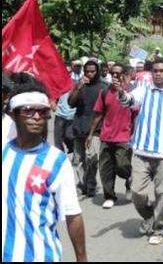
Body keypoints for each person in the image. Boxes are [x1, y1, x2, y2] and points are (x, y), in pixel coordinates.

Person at [2, 79, 87, 262]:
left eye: (42, 111)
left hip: (40, 256)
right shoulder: (4, 152)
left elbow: (73, 214)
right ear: (14, 115)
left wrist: (82, 259)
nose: (37, 116)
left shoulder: (56, 161)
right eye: (28, 110)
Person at [120, 58, 163, 245]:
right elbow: (128, 101)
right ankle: (149, 216)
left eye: (162, 70)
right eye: (155, 70)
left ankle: (158, 227)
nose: (158, 73)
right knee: (136, 192)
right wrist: (120, 91)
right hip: (141, 152)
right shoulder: (144, 89)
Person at [85, 63, 134, 209]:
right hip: (106, 136)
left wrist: (134, 136)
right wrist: (91, 134)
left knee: (122, 165)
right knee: (105, 168)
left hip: (125, 137)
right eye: (112, 73)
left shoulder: (132, 94)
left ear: (125, 75)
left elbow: (137, 116)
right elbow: (98, 114)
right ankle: (109, 196)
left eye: (118, 73)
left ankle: (129, 179)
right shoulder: (105, 92)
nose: (114, 76)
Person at [68, 59, 107, 197]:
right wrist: (79, 88)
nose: (89, 74)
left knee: (92, 158)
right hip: (79, 127)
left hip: (95, 130)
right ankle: (82, 185)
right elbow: (70, 103)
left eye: (92, 71)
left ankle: (91, 185)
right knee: (79, 160)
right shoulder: (79, 85)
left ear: (97, 72)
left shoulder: (103, 87)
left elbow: (106, 110)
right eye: (87, 71)